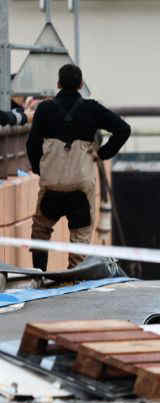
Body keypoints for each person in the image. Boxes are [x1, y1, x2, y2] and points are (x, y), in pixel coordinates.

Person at [26, 63, 130, 271]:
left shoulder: (45, 109)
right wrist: (102, 154)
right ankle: (75, 279)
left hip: (51, 186)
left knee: (41, 230)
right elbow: (123, 129)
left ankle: (39, 275)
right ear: (81, 84)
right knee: (80, 236)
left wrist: (41, 169)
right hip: (81, 186)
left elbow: (32, 144)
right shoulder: (91, 108)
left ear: (58, 84)